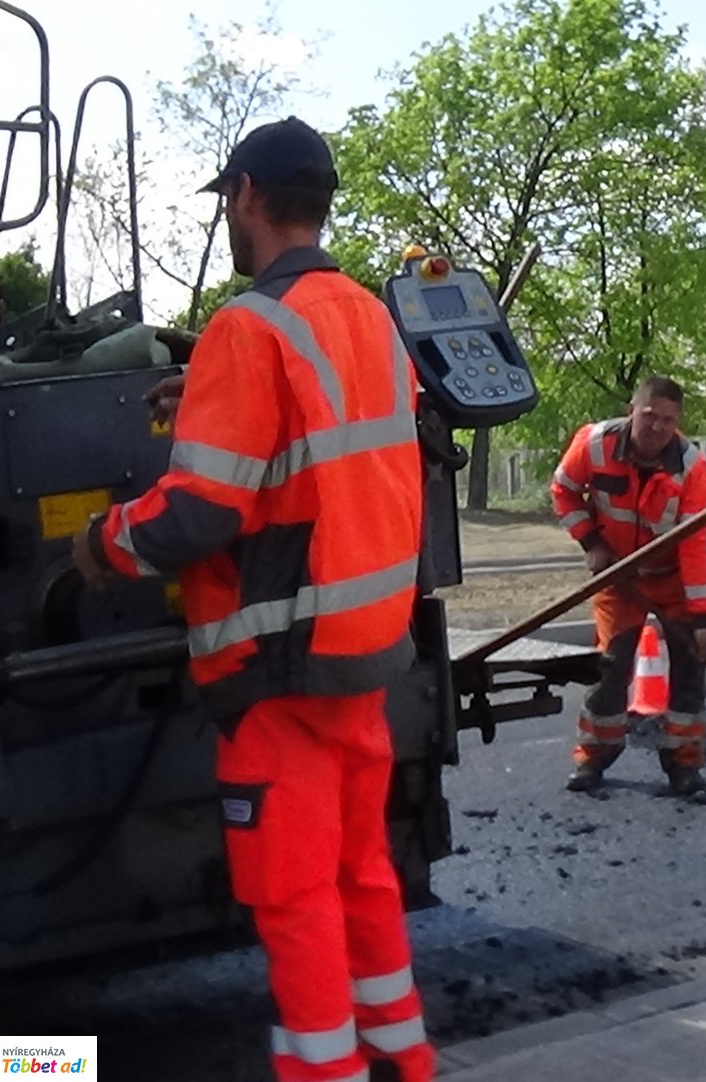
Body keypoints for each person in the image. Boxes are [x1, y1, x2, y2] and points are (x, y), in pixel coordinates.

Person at [71, 116, 435, 1082]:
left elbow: (198, 514)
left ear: (244, 196)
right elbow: (322, 439)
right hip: (359, 654)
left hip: (274, 667)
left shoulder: (249, 326)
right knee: (362, 873)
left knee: (293, 894)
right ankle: (402, 1058)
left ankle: (324, 1071)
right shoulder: (365, 316)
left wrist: (104, 544)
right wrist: (207, 389)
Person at [549, 376, 706, 802]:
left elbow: (697, 544)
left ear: (677, 422)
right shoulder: (592, 444)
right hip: (618, 577)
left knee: (690, 672)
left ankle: (684, 766)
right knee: (609, 667)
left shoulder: (692, 467)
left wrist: (701, 621)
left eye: (668, 420)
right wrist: (592, 543)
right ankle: (595, 755)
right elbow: (563, 491)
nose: (657, 428)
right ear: (632, 410)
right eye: (649, 416)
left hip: (672, 579)